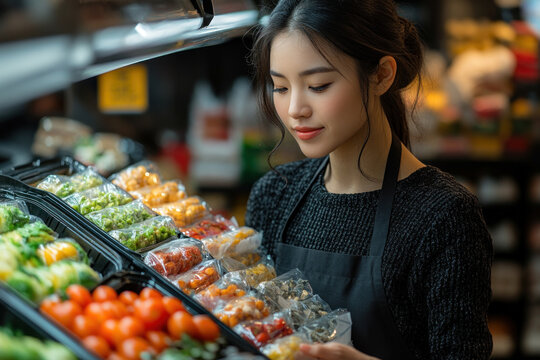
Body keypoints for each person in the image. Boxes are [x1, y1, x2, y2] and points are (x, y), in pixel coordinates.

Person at [244, 0, 493, 359]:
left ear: (381, 75)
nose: (296, 108)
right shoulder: (274, 195)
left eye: (318, 85)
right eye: (280, 87)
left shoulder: (443, 216)